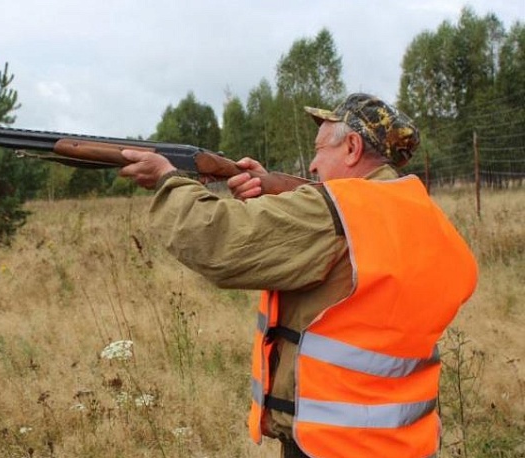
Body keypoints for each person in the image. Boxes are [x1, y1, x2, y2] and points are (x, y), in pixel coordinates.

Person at [118, 93, 478, 458]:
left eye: (320, 150)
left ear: (352, 147)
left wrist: (167, 180)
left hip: (332, 445)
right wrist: (273, 191)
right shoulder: (423, 216)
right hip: (407, 441)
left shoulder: (332, 216)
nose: (313, 165)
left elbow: (216, 240)